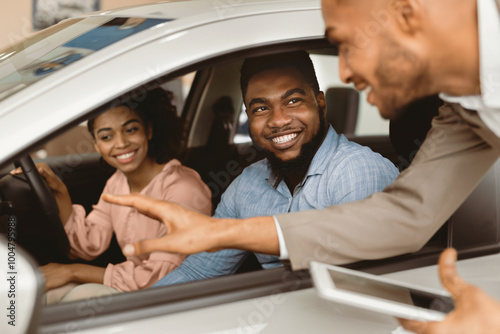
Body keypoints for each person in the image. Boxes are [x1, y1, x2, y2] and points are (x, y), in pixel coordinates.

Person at [102, 0, 500, 332]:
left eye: (346, 44)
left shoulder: (358, 168)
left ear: (408, 14)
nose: (345, 72)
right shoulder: (463, 112)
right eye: (260, 108)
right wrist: (220, 233)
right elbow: (406, 214)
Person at [152, 51, 399, 286]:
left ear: (320, 103)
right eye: (261, 108)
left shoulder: (358, 172)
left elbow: (355, 284)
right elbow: (199, 271)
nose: (278, 120)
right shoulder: (246, 185)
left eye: (293, 101)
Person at [12, 87, 212, 303]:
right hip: (137, 288)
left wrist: (72, 272)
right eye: (107, 136)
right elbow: (89, 244)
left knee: (73, 297)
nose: (121, 144)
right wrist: (60, 191)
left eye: (131, 130)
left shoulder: (182, 188)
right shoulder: (117, 182)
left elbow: (160, 276)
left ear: (149, 131)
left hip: (174, 296)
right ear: (97, 145)